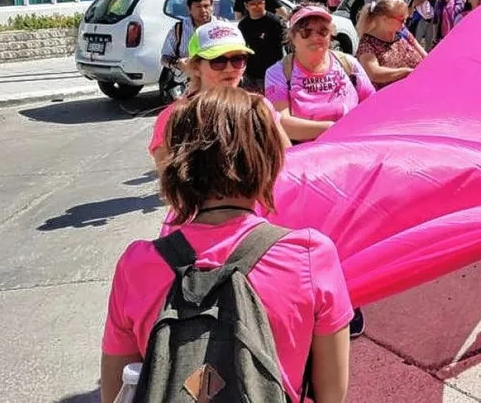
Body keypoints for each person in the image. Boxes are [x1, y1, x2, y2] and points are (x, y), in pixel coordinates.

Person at [104, 88, 351, 403]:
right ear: (269, 162)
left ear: (180, 167)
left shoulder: (137, 264)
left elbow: (117, 392)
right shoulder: (310, 254)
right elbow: (332, 394)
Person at [149, 20, 291, 168]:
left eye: (238, 59)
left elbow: (287, 162)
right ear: (196, 67)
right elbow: (170, 183)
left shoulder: (259, 106)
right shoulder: (172, 117)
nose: (230, 68)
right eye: (218, 60)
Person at [265, 5, 375, 143]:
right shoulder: (278, 72)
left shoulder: (348, 64)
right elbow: (282, 123)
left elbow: (373, 104)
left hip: (351, 147)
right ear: (292, 37)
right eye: (306, 32)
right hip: (307, 156)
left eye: (323, 31)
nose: (316, 37)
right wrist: (333, 128)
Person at [356, 0, 426, 88]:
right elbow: (374, 74)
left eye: (406, 19)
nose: (404, 23)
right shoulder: (367, 43)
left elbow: (425, 56)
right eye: (401, 20)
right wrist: (406, 72)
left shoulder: (403, 32)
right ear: (385, 19)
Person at [237, 0, 286, 93]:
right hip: (252, 74)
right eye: (253, 4)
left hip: (273, 72)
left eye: (260, 3)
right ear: (246, 6)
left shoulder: (274, 22)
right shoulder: (243, 25)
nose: (257, 7)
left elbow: (285, 45)